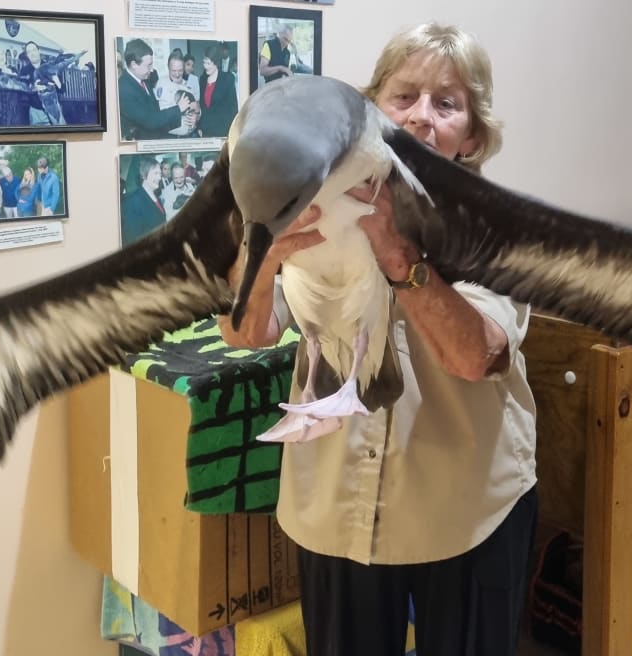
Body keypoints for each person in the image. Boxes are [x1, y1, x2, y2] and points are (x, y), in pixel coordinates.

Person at [218, 22, 538, 656]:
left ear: (471, 134)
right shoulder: (309, 190)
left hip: (464, 506)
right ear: (373, 108)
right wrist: (265, 258)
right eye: (404, 96)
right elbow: (245, 334)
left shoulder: (495, 225)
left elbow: (475, 356)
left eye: (447, 104)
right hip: (336, 506)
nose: (422, 117)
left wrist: (397, 253)